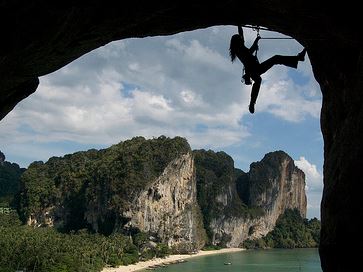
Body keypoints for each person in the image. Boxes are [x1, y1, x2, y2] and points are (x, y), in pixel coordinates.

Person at [229, 26, 306, 114]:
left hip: (256, 68)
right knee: (259, 79)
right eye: (240, 39)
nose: (242, 39)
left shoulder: (240, 47)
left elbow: (241, 34)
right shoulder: (239, 50)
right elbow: (250, 51)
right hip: (252, 70)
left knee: (276, 59)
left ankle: (299, 58)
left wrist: (239, 25)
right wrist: (256, 41)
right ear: (237, 41)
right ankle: (252, 102)